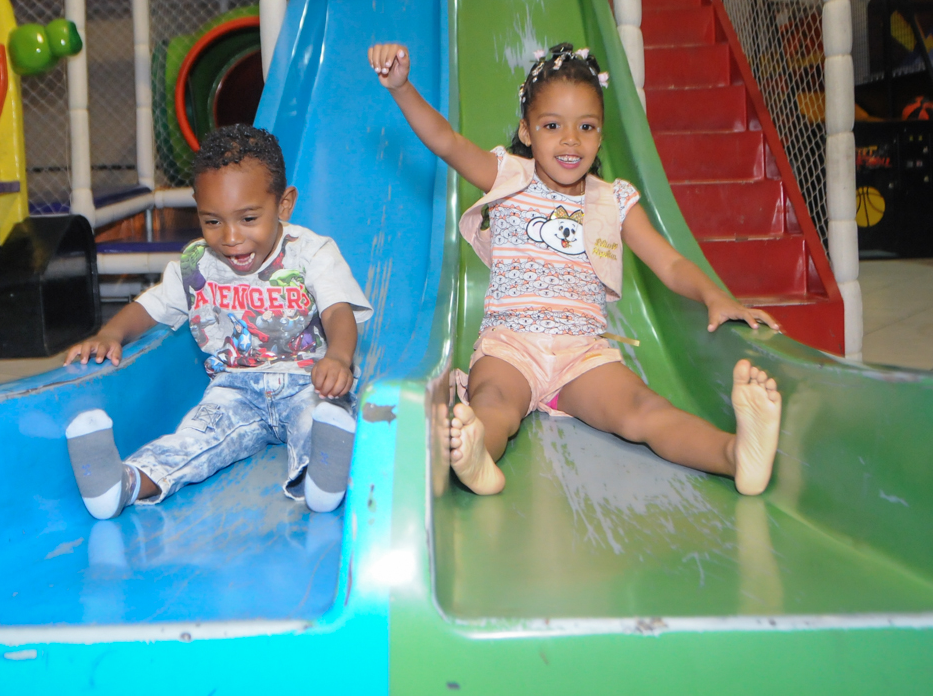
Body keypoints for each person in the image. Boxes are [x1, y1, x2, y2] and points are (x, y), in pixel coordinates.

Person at [367, 41, 783, 497]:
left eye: (586, 126)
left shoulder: (614, 199)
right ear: (526, 132)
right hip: (511, 346)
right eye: (552, 126)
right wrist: (402, 87)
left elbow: (670, 261)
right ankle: (478, 457)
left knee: (642, 412)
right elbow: (446, 141)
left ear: (600, 135)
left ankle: (735, 453)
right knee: (493, 404)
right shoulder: (508, 177)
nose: (571, 140)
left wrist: (713, 294)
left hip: (582, 355)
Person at [62, 124, 372, 516]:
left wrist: (339, 358)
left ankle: (323, 481)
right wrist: (111, 333)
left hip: (308, 379)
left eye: (248, 218)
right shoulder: (198, 264)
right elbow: (153, 306)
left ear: (284, 205)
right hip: (234, 389)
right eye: (212, 221)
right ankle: (125, 483)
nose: (230, 237)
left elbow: (337, 310)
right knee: (194, 438)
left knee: (323, 419)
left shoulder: (311, 253)